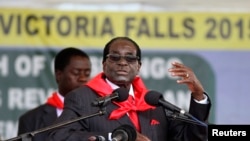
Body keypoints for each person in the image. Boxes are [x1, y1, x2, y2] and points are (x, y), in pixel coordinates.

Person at [47, 37, 211, 141]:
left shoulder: (154, 103)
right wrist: (116, 138)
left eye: (130, 58)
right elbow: (59, 136)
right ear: (104, 64)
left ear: (138, 66)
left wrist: (198, 96)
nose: (122, 62)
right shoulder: (82, 98)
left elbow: (190, 138)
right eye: (115, 57)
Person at [17, 47, 92, 141]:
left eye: (87, 74)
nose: (83, 79)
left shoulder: (97, 113)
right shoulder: (30, 120)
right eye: (76, 73)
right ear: (58, 75)